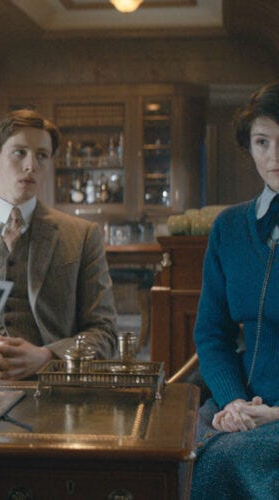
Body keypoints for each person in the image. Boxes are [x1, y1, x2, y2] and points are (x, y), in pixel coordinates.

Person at [0, 109, 117, 380]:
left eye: (41, 156)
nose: (30, 166)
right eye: (19, 153)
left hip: (54, 389)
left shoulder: (83, 236)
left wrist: (48, 357)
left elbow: (105, 333)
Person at [190, 82, 279, 499]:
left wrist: (274, 414)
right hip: (239, 405)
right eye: (263, 142)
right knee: (176, 454)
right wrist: (233, 403)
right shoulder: (229, 227)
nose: (274, 157)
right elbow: (211, 333)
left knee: (227, 461)